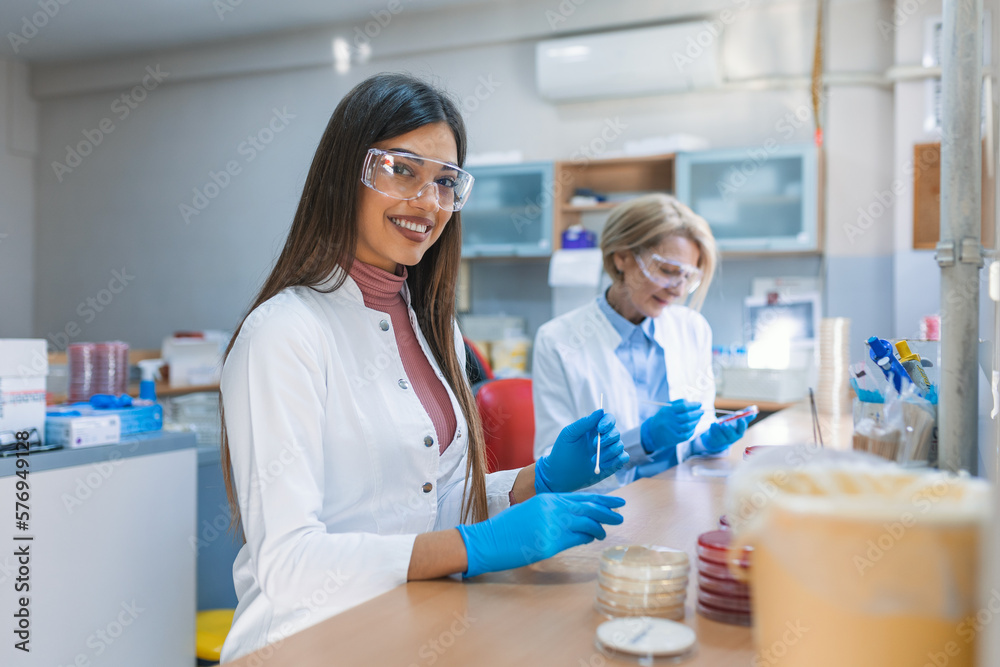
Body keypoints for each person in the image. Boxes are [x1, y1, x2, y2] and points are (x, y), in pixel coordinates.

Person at [217, 73, 630, 662]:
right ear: (345, 172)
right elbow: (289, 563)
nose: (429, 202)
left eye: (445, 182)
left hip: (411, 627)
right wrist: (471, 547)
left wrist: (535, 481)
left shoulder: (433, 326)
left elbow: (427, 500)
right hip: (305, 644)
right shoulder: (283, 333)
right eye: (402, 170)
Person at [532, 194, 754, 491]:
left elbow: (691, 439)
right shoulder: (558, 340)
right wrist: (642, 440)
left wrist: (706, 443)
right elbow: (552, 465)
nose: (678, 290)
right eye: (668, 271)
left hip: (679, 496)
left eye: (687, 277)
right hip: (603, 507)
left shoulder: (692, 328)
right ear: (621, 257)